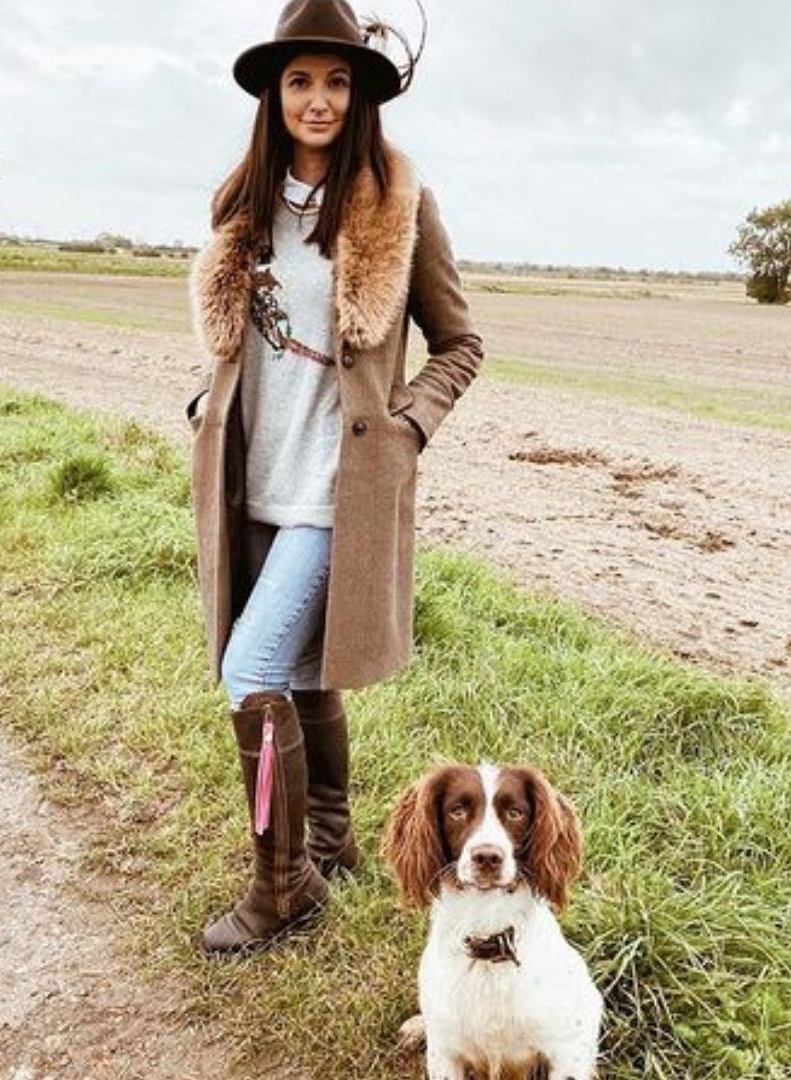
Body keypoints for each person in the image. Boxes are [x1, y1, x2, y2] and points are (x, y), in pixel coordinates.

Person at [186, 0, 482, 954]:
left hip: (335, 491)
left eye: (337, 80)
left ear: (361, 95)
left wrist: (408, 426)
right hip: (252, 481)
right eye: (300, 81)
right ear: (274, 95)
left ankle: (284, 891)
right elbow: (241, 342)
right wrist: (205, 400)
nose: (318, 99)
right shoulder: (241, 201)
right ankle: (333, 840)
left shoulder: (398, 201)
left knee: (250, 672)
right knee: (304, 676)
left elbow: (461, 342)